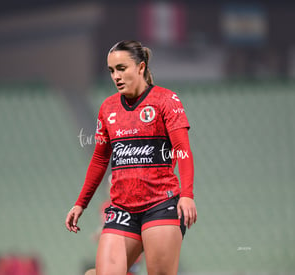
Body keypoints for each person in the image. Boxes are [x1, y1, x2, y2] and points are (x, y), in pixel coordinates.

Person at [65, 40, 197, 275]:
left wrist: (186, 196)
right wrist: (80, 203)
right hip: (122, 208)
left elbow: (182, 150)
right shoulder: (108, 108)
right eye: (111, 70)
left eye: (121, 68)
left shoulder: (166, 101)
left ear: (141, 67)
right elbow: (99, 160)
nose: (116, 76)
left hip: (161, 204)